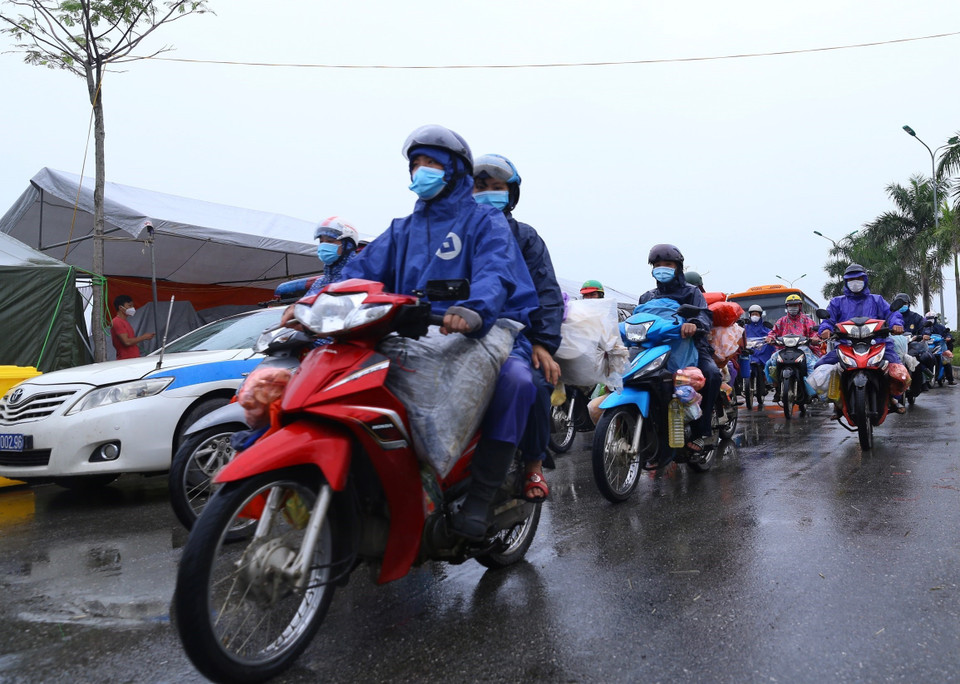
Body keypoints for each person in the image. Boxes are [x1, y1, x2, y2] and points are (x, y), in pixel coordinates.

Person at [339, 124, 540, 541]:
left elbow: (496, 272)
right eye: (416, 164)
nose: (421, 171)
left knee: (517, 381)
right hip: (412, 334)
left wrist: (473, 309)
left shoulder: (486, 221)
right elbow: (354, 273)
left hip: (482, 332)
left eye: (432, 163)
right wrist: (311, 302)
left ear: (454, 172)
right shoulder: (399, 230)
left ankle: (482, 499)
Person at [473, 152, 563, 501]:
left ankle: (533, 466)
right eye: (481, 187)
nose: (489, 194)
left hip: (516, 337)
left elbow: (546, 291)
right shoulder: (454, 235)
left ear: (511, 195)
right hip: (455, 333)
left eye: (498, 188)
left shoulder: (525, 237)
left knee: (535, 384)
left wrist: (542, 341)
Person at [637, 244, 719, 456]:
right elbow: (637, 319)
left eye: (668, 264)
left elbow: (704, 315)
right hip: (654, 349)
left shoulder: (691, 292)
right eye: (657, 265)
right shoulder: (647, 297)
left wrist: (694, 324)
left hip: (692, 347)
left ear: (678, 268)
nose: (662, 268)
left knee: (712, 374)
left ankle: (703, 432)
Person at [816, 263, 905, 413]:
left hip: (876, 343)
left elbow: (891, 314)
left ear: (865, 280)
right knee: (820, 367)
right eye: (851, 279)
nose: (855, 282)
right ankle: (838, 402)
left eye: (858, 278)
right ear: (846, 282)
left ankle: (893, 398)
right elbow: (828, 319)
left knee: (897, 368)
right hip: (846, 345)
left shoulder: (877, 300)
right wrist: (825, 328)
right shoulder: (837, 302)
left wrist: (896, 323)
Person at [764, 294, 820, 402]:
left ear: (800, 306)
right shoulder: (782, 321)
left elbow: (814, 333)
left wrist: (814, 339)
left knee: (813, 365)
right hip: (784, 349)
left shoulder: (807, 320)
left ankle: (813, 390)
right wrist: (770, 338)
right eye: (790, 305)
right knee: (770, 363)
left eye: (795, 305)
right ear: (787, 307)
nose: (793, 307)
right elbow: (773, 332)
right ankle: (777, 389)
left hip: (803, 349)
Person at [307, 216, 360, 295]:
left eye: (330, 241)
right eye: (321, 242)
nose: (324, 245)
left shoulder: (359, 280)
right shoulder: (318, 284)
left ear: (348, 245)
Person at [110, 295, 155, 360]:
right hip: (126, 359)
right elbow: (127, 342)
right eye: (129, 306)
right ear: (120, 307)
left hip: (133, 358)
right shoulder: (117, 321)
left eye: (132, 306)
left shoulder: (125, 322)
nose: (132, 308)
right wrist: (144, 337)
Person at [923, 311, 956, 385]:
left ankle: (950, 379)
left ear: (935, 318)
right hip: (928, 347)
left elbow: (947, 334)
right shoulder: (924, 328)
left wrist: (948, 337)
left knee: (946, 360)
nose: (930, 319)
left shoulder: (941, 327)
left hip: (940, 346)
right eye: (928, 318)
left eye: (931, 318)